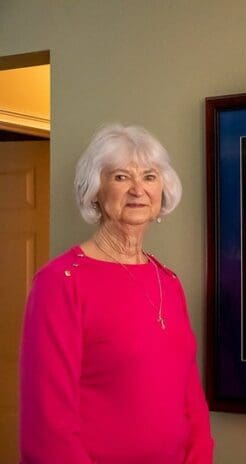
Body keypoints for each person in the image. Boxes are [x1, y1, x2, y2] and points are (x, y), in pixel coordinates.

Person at [19, 124, 214, 463]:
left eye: (150, 177)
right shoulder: (60, 282)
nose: (138, 189)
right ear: (95, 189)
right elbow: (47, 424)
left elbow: (191, 400)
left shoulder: (168, 281)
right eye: (121, 177)